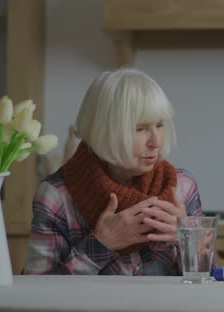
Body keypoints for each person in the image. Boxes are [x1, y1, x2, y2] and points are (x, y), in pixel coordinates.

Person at [24, 68, 202, 275]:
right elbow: (38, 294)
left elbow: (209, 282)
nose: (157, 141)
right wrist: (99, 245)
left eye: (160, 125)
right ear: (103, 130)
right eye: (140, 129)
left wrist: (188, 241)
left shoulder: (183, 186)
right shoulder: (56, 197)